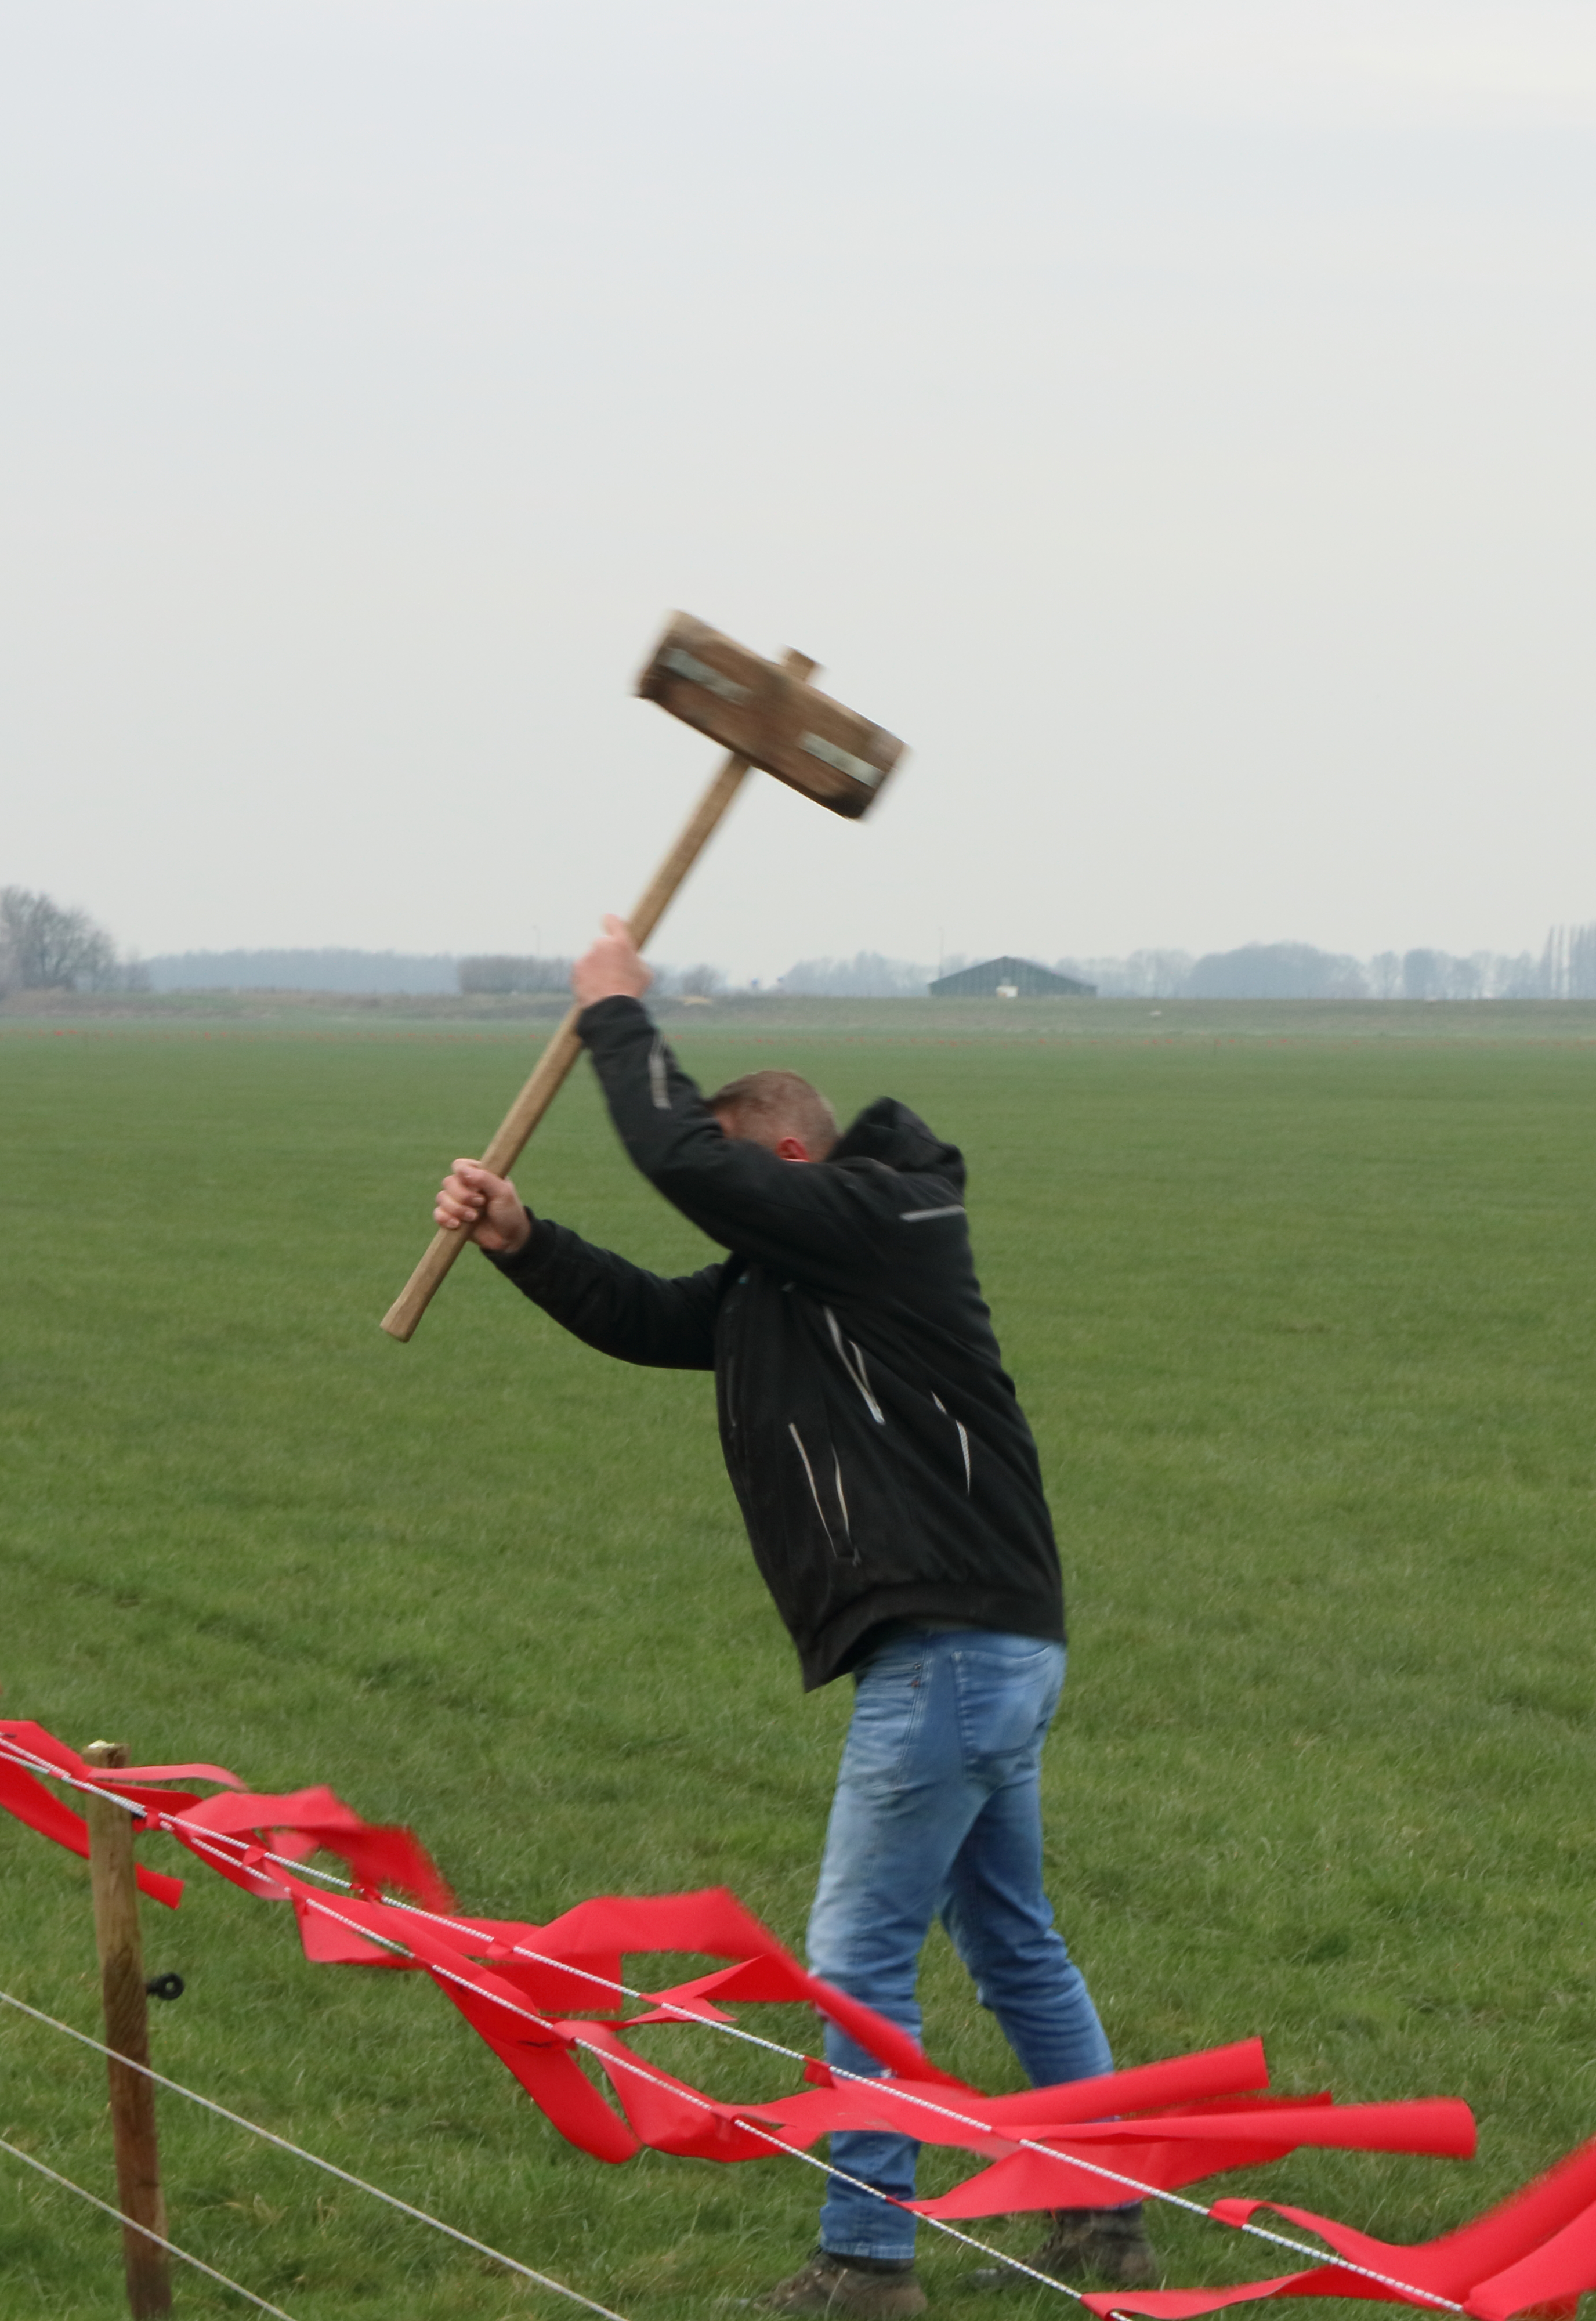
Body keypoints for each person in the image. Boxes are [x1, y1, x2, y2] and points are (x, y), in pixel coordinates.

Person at [429, 916, 1157, 2318]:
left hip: (946, 1648)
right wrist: (522, 1239)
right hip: (989, 1644)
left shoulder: (880, 1225)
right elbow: (652, 1315)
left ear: (786, 1165)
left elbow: (682, 1164)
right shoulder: (796, 1276)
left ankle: (867, 2258)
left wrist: (613, 1014)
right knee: (1013, 1938)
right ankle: (1107, 2208)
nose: (726, 1210)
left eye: (737, 1179)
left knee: (857, 1954)